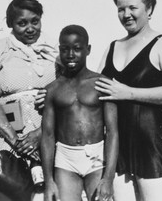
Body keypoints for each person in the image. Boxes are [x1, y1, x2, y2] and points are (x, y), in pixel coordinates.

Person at [95, 0, 162, 201]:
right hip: (117, 143)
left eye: (132, 8)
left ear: (149, 8)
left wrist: (130, 93)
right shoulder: (111, 47)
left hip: (153, 140)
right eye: (120, 9)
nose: (126, 14)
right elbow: (96, 88)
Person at [0, 0, 59, 201]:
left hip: (47, 132)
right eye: (21, 23)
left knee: (46, 193)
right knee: (9, 191)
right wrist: (16, 141)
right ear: (10, 24)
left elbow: (69, 93)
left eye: (35, 21)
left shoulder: (55, 51)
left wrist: (42, 133)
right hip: (7, 135)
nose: (30, 28)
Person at [41, 25, 118, 201]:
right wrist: (48, 182)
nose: (70, 55)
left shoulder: (102, 84)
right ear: (59, 50)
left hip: (96, 158)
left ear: (88, 49)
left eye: (77, 49)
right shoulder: (53, 89)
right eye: (65, 49)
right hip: (65, 160)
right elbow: (48, 135)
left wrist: (108, 178)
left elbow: (113, 132)